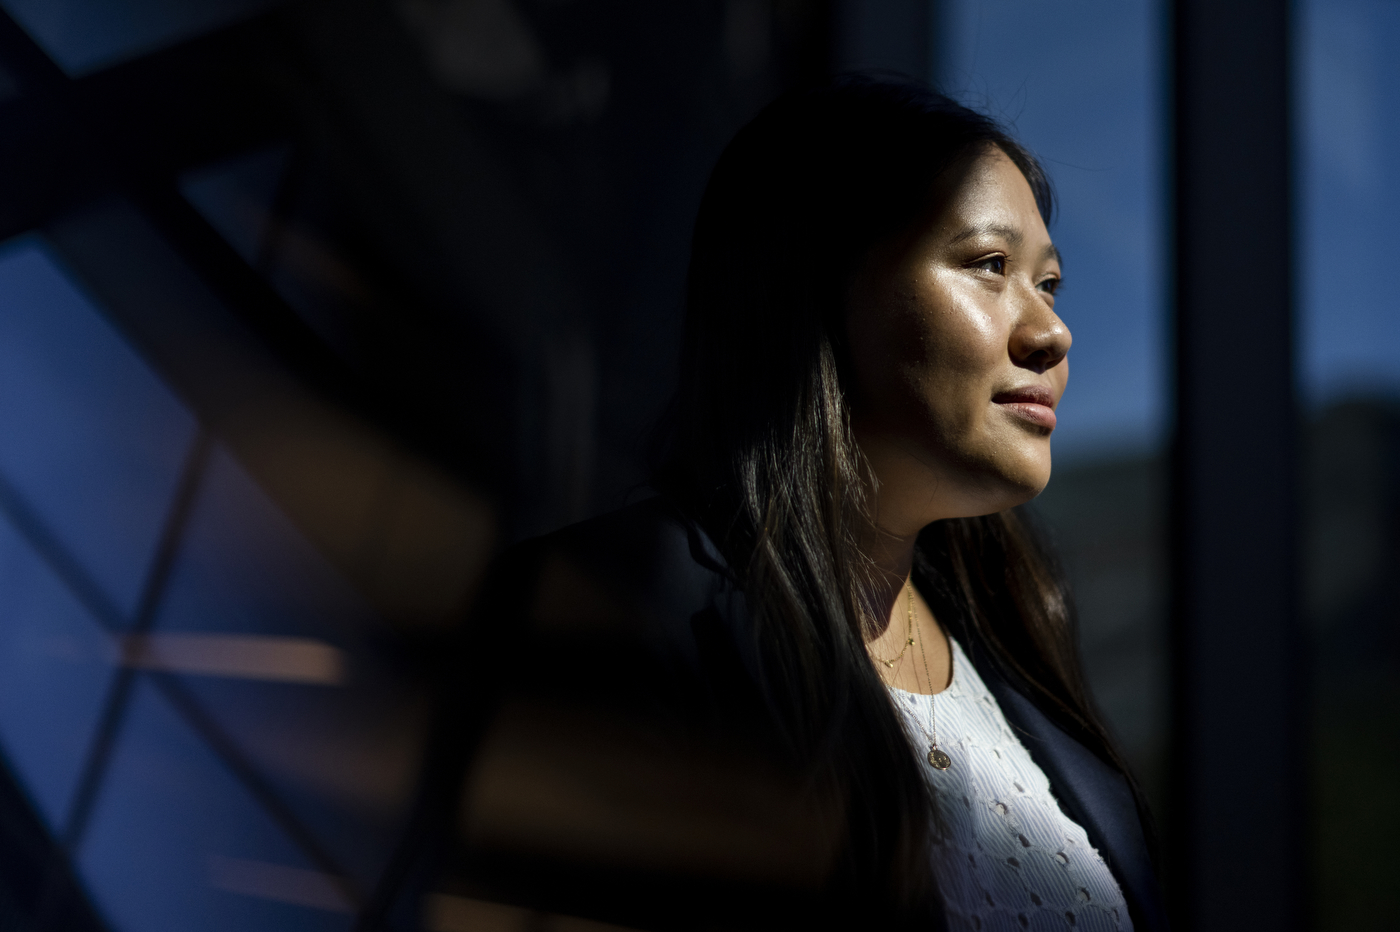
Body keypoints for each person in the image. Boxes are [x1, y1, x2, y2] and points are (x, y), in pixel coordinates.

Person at [434, 77, 1168, 932]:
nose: (1051, 331)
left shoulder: (1017, 638)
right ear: (814, 289)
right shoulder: (611, 611)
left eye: (1049, 283)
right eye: (990, 266)